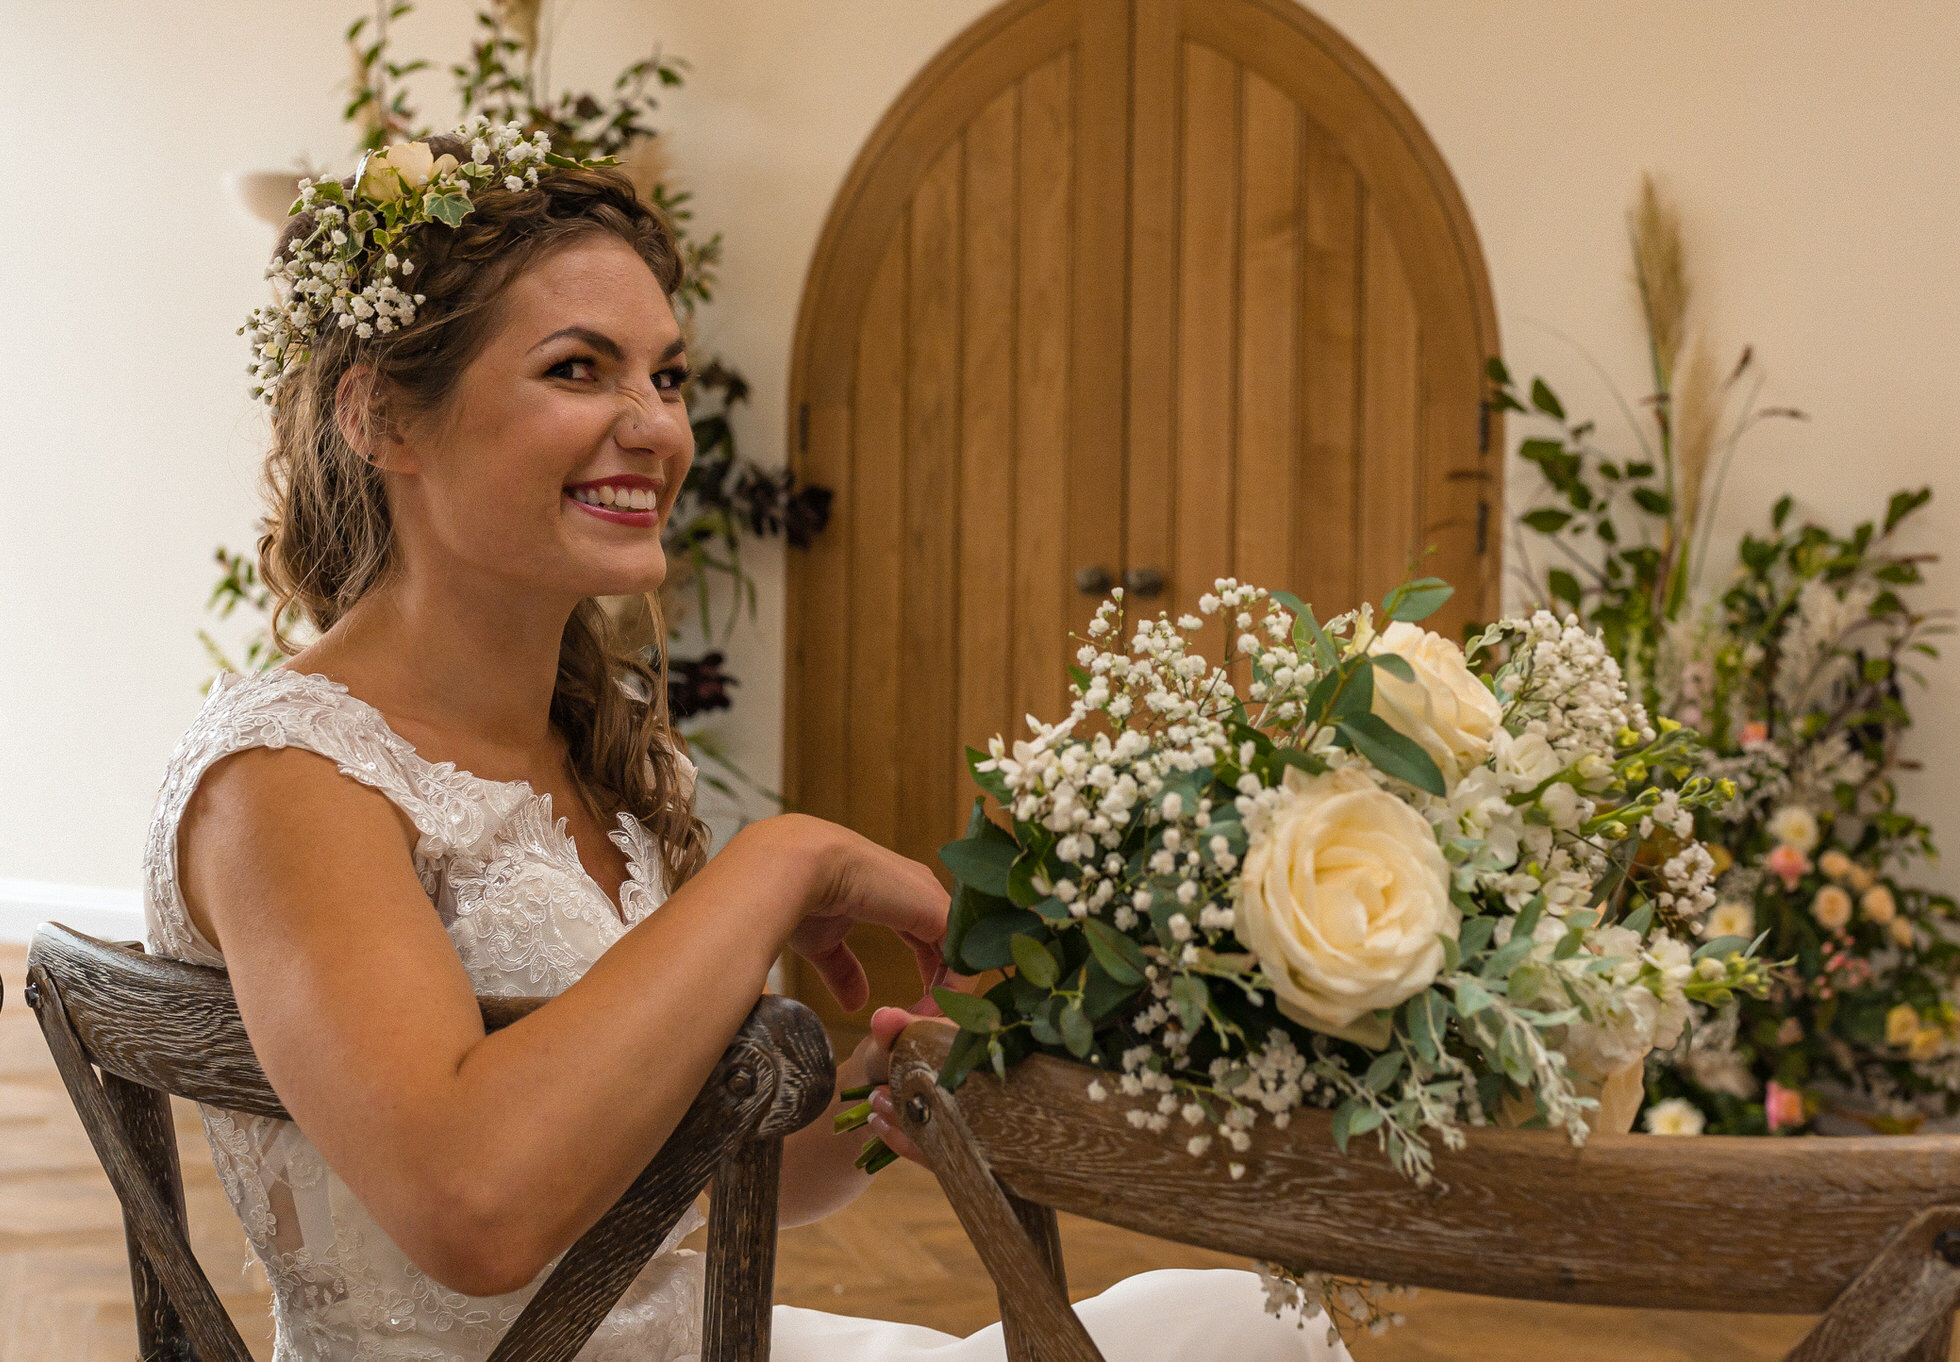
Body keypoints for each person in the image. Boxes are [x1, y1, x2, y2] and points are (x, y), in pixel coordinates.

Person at [145, 121, 1348, 1361]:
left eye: (664, 377)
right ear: (383, 416)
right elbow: (477, 1211)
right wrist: (782, 867)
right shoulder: (288, 782)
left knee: (1235, 1324)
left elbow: (721, 1169)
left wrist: (902, 1092)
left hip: (692, 1338)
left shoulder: (598, 756)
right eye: (577, 370)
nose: (656, 427)